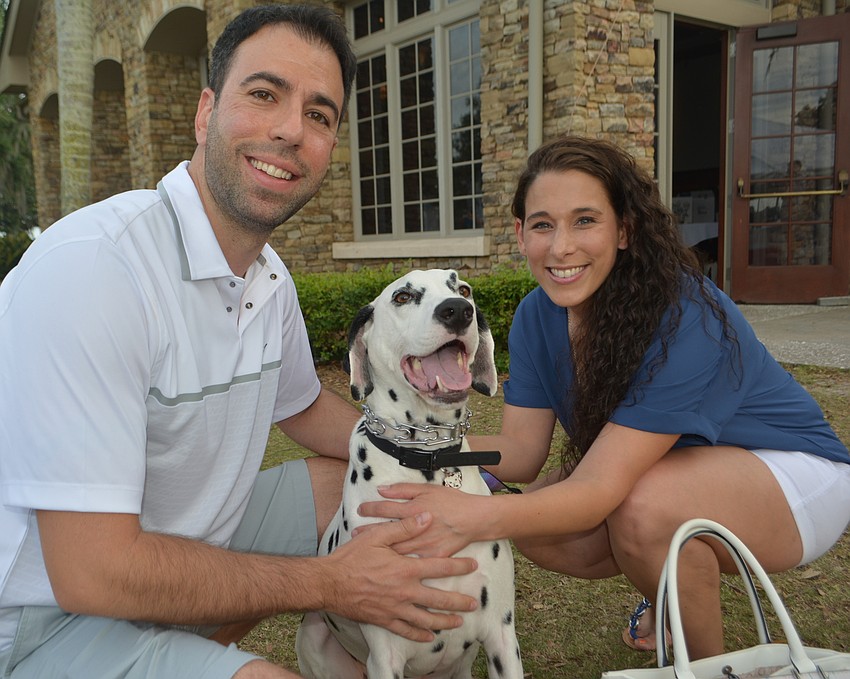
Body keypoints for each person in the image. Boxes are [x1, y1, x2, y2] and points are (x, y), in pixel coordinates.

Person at [0, 5, 478, 678]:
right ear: (205, 113)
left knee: (346, 485)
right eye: (264, 94)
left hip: (177, 540)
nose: (289, 130)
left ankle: (189, 644)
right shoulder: (95, 269)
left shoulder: (267, 277)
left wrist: (449, 464)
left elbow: (308, 411)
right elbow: (91, 571)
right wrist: (332, 582)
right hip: (45, 617)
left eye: (319, 114)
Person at [358, 136, 850, 662]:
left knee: (641, 508)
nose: (561, 247)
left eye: (585, 221)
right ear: (521, 234)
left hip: (793, 473)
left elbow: (598, 489)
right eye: (543, 224)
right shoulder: (535, 315)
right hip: (671, 470)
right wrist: (400, 444)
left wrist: (474, 516)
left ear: (625, 230)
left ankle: (704, 667)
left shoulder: (688, 312)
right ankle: (667, 582)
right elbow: (521, 453)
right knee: (545, 531)